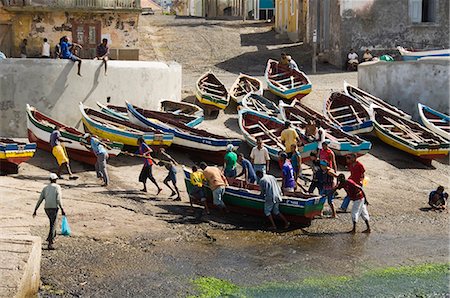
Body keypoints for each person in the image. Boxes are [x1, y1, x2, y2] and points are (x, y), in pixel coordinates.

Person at [32, 173, 66, 250]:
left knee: (52, 223)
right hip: (54, 208)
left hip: (46, 208)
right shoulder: (57, 187)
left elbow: (40, 199)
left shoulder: (45, 188)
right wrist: (62, 209)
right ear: (55, 180)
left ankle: (51, 239)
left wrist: (35, 210)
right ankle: (50, 243)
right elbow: (58, 199)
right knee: (53, 225)